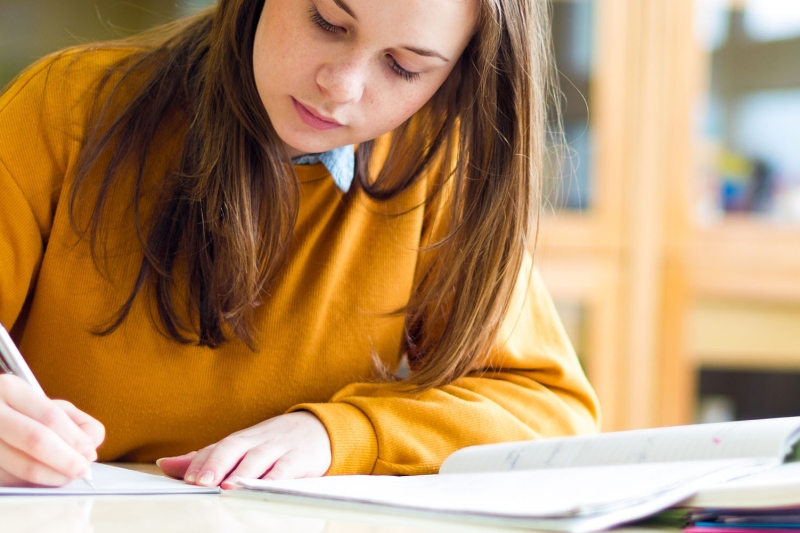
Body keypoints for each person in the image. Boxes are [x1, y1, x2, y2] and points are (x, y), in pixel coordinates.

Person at [0, 0, 600, 488]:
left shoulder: (435, 167)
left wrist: (339, 434)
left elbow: (550, 412)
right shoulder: (63, 110)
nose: (340, 88)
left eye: (404, 66)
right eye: (327, 22)